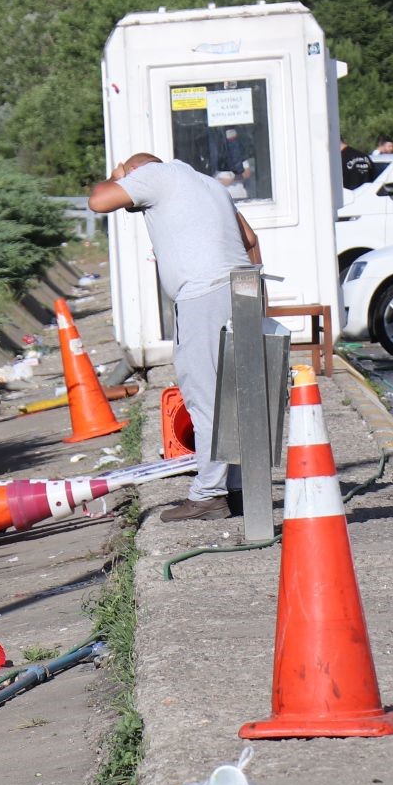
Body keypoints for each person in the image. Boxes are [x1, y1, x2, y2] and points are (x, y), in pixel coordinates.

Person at [88, 153, 261, 520]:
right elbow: (249, 237)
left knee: (205, 396)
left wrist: (117, 175)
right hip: (243, 286)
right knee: (234, 393)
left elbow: (98, 201)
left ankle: (207, 495)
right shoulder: (207, 182)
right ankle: (238, 489)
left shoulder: (152, 174)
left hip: (204, 293)